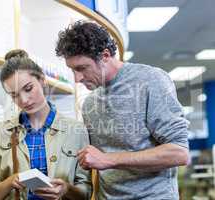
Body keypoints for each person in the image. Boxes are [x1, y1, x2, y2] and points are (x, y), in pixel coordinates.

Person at [55, 21, 190, 200]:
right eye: (72, 70)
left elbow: (179, 153)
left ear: (105, 56)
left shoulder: (150, 81)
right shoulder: (89, 104)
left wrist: (108, 159)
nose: (77, 78)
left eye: (81, 68)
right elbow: (97, 162)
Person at [0, 49, 91, 200]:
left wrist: (66, 189)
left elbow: (86, 192)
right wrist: (9, 182)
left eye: (28, 89)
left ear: (42, 80)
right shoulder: (2, 131)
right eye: (14, 95)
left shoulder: (76, 130)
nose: (24, 100)